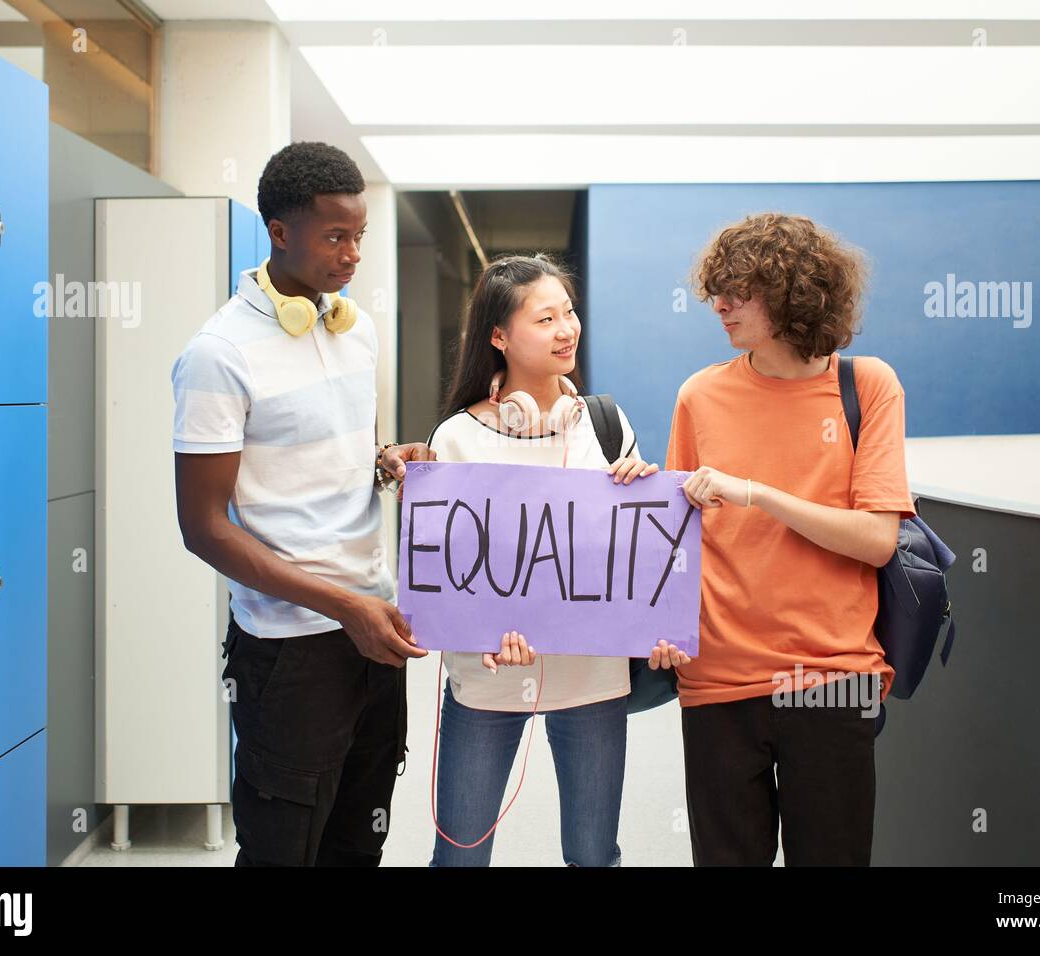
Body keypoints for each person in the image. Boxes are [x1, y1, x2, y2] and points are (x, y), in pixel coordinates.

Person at [171, 141, 435, 866]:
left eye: (359, 236)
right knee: (284, 845)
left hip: (375, 623)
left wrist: (385, 462)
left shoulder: (356, 331)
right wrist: (342, 607)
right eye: (334, 237)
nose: (352, 255)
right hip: (290, 648)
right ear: (280, 232)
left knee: (359, 835)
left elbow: (339, 456)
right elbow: (204, 529)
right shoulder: (219, 353)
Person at [668, 212, 916, 866]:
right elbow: (674, 541)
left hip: (834, 677)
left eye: (740, 290)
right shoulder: (699, 396)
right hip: (719, 679)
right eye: (716, 290)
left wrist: (755, 493)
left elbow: (877, 540)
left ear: (794, 293)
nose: (720, 305)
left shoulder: (868, 387)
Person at [425, 254, 687, 867]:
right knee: (459, 856)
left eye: (568, 312)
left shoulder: (604, 423)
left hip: (591, 677)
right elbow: (449, 573)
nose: (566, 329)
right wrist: (478, 632)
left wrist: (639, 483)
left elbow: (635, 552)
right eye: (545, 318)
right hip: (487, 678)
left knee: (595, 856)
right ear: (498, 336)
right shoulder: (455, 439)